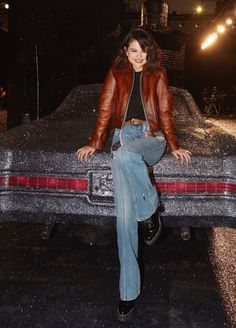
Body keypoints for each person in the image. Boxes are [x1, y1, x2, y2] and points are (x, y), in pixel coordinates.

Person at [77, 28, 191, 322]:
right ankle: (127, 292)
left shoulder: (159, 74)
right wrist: (95, 141)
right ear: (125, 52)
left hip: (151, 138)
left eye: (143, 50)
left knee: (126, 156)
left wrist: (174, 146)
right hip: (121, 138)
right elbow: (104, 109)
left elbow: (165, 112)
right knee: (124, 221)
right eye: (133, 51)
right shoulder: (117, 73)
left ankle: (151, 208)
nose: (139, 56)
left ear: (150, 52)